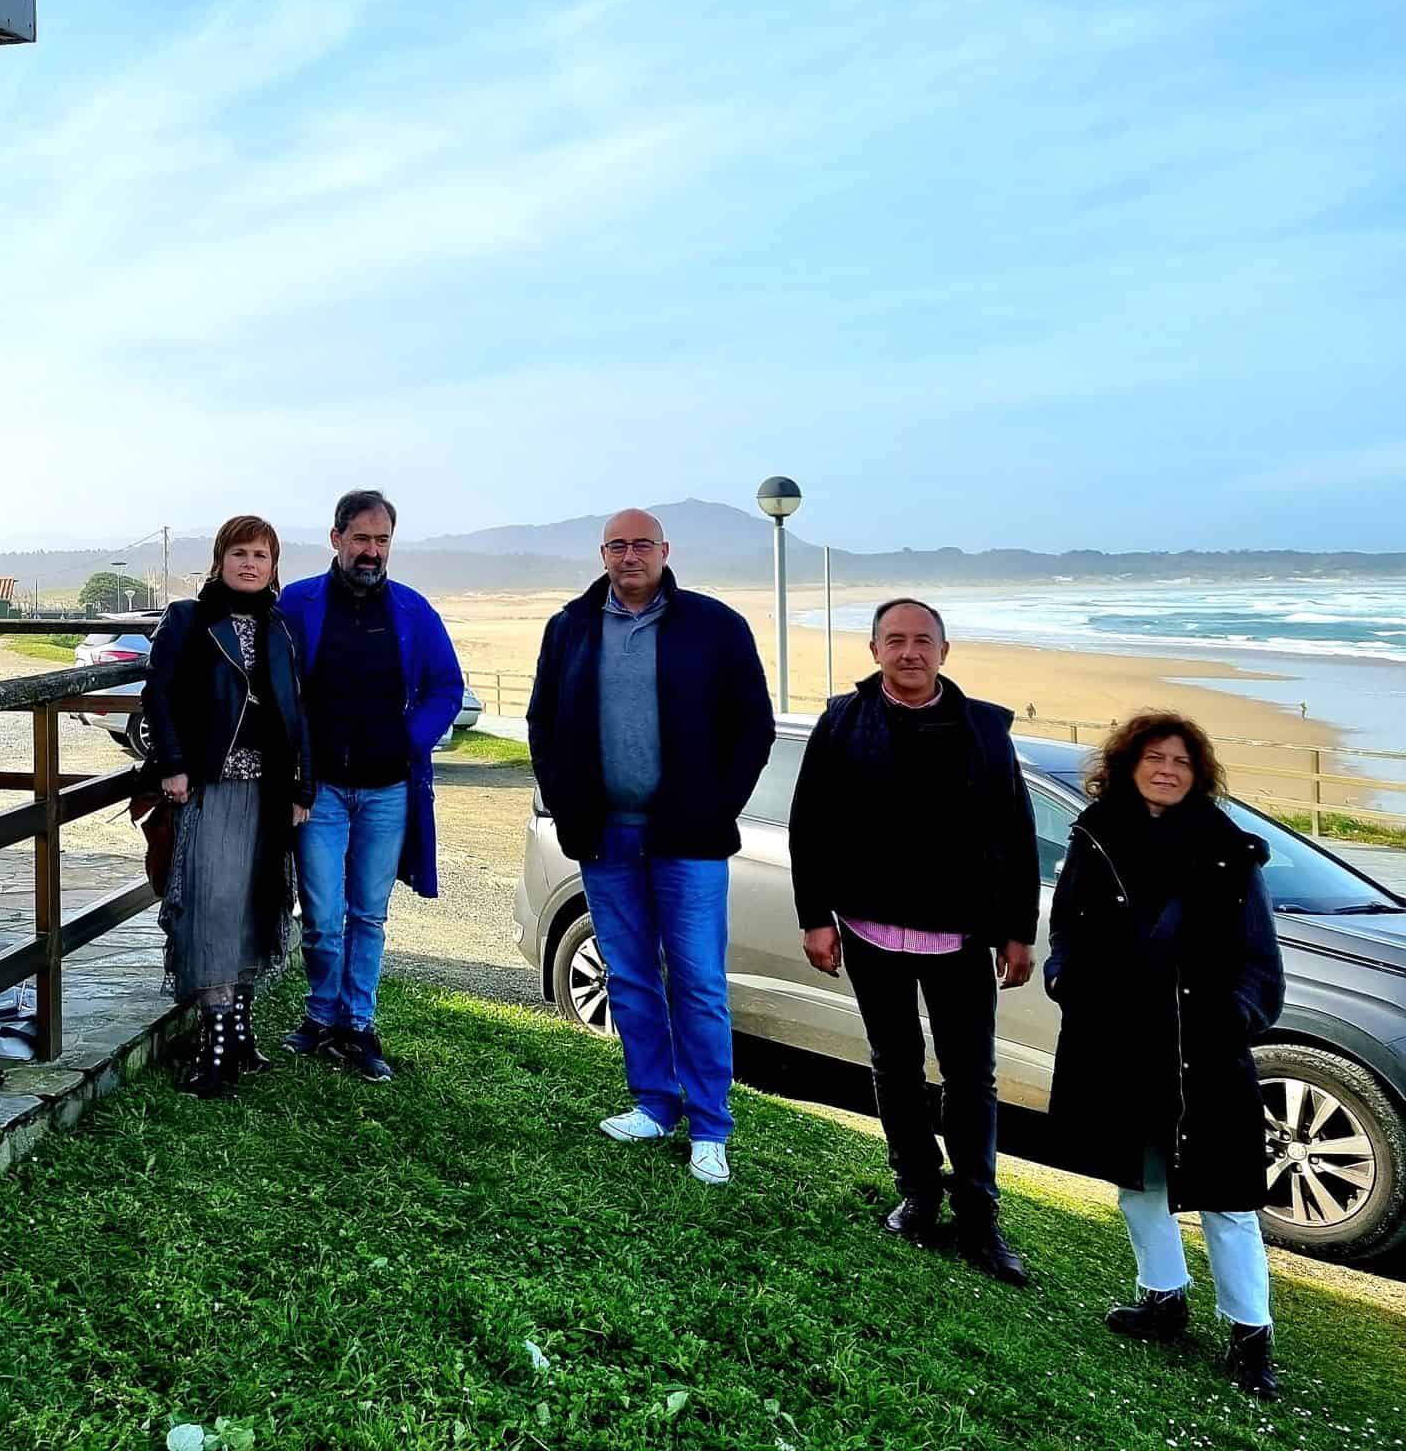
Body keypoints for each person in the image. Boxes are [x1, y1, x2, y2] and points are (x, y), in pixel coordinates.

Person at [789, 599, 1038, 1283]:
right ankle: (917, 1194)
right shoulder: (841, 721)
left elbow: (1015, 834)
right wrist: (816, 916)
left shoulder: (985, 730)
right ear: (874, 651)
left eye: (922, 641)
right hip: (870, 929)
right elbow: (809, 825)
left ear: (944, 651)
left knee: (970, 1078)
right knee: (894, 1066)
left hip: (961, 937)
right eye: (894, 640)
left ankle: (980, 1217)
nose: (909, 652)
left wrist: (1018, 930)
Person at [526, 508, 772, 1185]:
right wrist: (565, 798)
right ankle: (654, 1104)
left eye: (641, 545)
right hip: (604, 837)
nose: (629, 555)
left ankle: (711, 1125)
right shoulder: (570, 627)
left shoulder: (715, 626)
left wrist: (717, 806)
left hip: (689, 840)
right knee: (629, 974)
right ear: (603, 553)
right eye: (617, 545)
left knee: (696, 981)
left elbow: (754, 727)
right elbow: (542, 721)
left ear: (665, 551)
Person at [1046, 713, 1287, 1400]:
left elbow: (1260, 963)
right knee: (1138, 1179)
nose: (1167, 769)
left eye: (1181, 761)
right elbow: (1066, 928)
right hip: (1116, 1042)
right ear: (1128, 765)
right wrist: (1063, 979)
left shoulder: (1231, 850)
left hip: (1204, 1049)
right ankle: (1163, 1298)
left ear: (1197, 772)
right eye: (1154, 757)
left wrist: (1235, 1016)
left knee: (1228, 1199)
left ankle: (1251, 1337)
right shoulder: (1096, 835)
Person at [276, 490, 466, 1082]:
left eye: (382, 540)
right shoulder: (297, 604)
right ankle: (320, 1015)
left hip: (388, 790)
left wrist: (412, 740)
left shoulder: (413, 611)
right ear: (336, 539)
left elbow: (446, 687)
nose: (372, 551)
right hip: (321, 790)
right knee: (323, 915)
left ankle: (357, 1024)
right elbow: (277, 685)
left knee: (369, 914)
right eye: (361, 538)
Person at [141, 516, 314, 1097]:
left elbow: (298, 715)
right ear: (218, 561)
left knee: (254, 905)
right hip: (210, 786)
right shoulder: (190, 619)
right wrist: (172, 764)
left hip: (266, 793)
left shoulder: (281, 629)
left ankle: (239, 1030)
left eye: (261, 555)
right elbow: (158, 693)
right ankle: (214, 1040)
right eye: (239, 552)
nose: (250, 563)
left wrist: (301, 787)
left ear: (273, 566)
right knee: (212, 905)